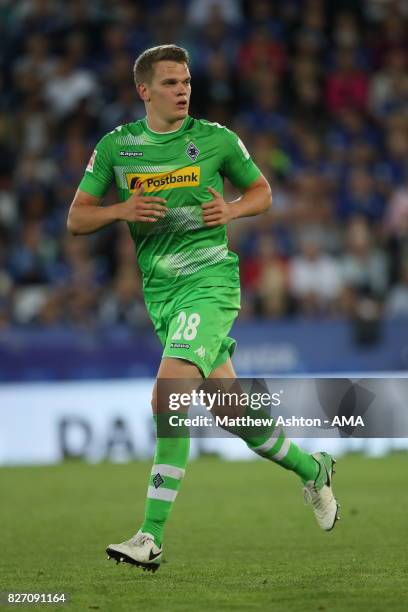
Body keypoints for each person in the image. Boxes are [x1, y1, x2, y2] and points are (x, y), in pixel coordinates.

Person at [67, 45, 339, 573]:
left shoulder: (215, 140)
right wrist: (121, 208)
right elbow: (77, 219)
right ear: (144, 91)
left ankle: (151, 536)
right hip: (162, 296)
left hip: (210, 284)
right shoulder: (117, 148)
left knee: (168, 394)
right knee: (230, 408)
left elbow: (262, 192)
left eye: (186, 80)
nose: (183, 89)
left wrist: (232, 208)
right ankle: (314, 468)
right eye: (170, 82)